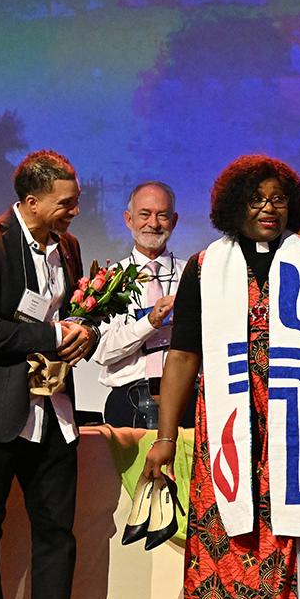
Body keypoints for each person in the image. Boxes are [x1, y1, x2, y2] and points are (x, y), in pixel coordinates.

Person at [140, 155, 300, 599]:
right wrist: (166, 437)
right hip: (228, 432)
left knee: (293, 540)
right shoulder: (203, 267)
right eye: (257, 198)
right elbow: (183, 354)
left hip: (298, 433)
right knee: (228, 546)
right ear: (234, 205)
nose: (268, 208)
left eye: (278, 199)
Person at [0, 149, 95, 599]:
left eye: (76, 201)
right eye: (67, 202)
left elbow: (81, 313)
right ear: (31, 202)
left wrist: (86, 337)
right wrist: (54, 336)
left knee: (58, 534)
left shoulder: (70, 245)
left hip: (56, 415)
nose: (74, 210)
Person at [95, 181, 182, 429]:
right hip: (128, 402)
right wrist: (150, 322)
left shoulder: (193, 275)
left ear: (174, 221)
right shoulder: (108, 280)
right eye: (144, 214)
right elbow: (101, 352)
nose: (153, 224)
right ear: (128, 219)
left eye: (162, 216)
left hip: (185, 399)